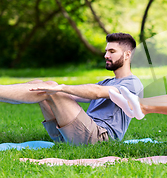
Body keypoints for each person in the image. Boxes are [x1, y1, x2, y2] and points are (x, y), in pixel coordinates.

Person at [0, 33, 143, 145]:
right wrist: (55, 89)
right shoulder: (107, 82)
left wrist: (61, 88)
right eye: (106, 51)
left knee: (51, 88)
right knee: (43, 85)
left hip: (100, 139)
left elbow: (96, 92)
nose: (106, 55)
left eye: (112, 51)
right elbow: (79, 95)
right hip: (76, 133)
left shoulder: (133, 83)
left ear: (127, 55)